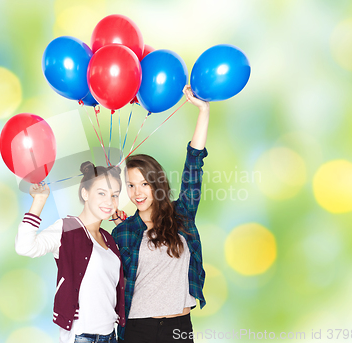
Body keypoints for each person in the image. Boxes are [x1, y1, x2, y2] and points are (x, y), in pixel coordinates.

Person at [111, 85, 210, 343]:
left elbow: (194, 165)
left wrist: (203, 111)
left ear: (157, 183)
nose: (137, 192)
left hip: (178, 327)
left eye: (144, 184)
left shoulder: (182, 215)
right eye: (131, 185)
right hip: (138, 329)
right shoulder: (122, 232)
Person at [15, 162, 127, 343]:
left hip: (111, 336)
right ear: (85, 193)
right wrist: (39, 201)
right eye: (101, 193)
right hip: (81, 337)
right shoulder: (66, 228)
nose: (109, 201)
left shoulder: (109, 239)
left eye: (115, 195)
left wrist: (124, 226)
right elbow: (24, 246)